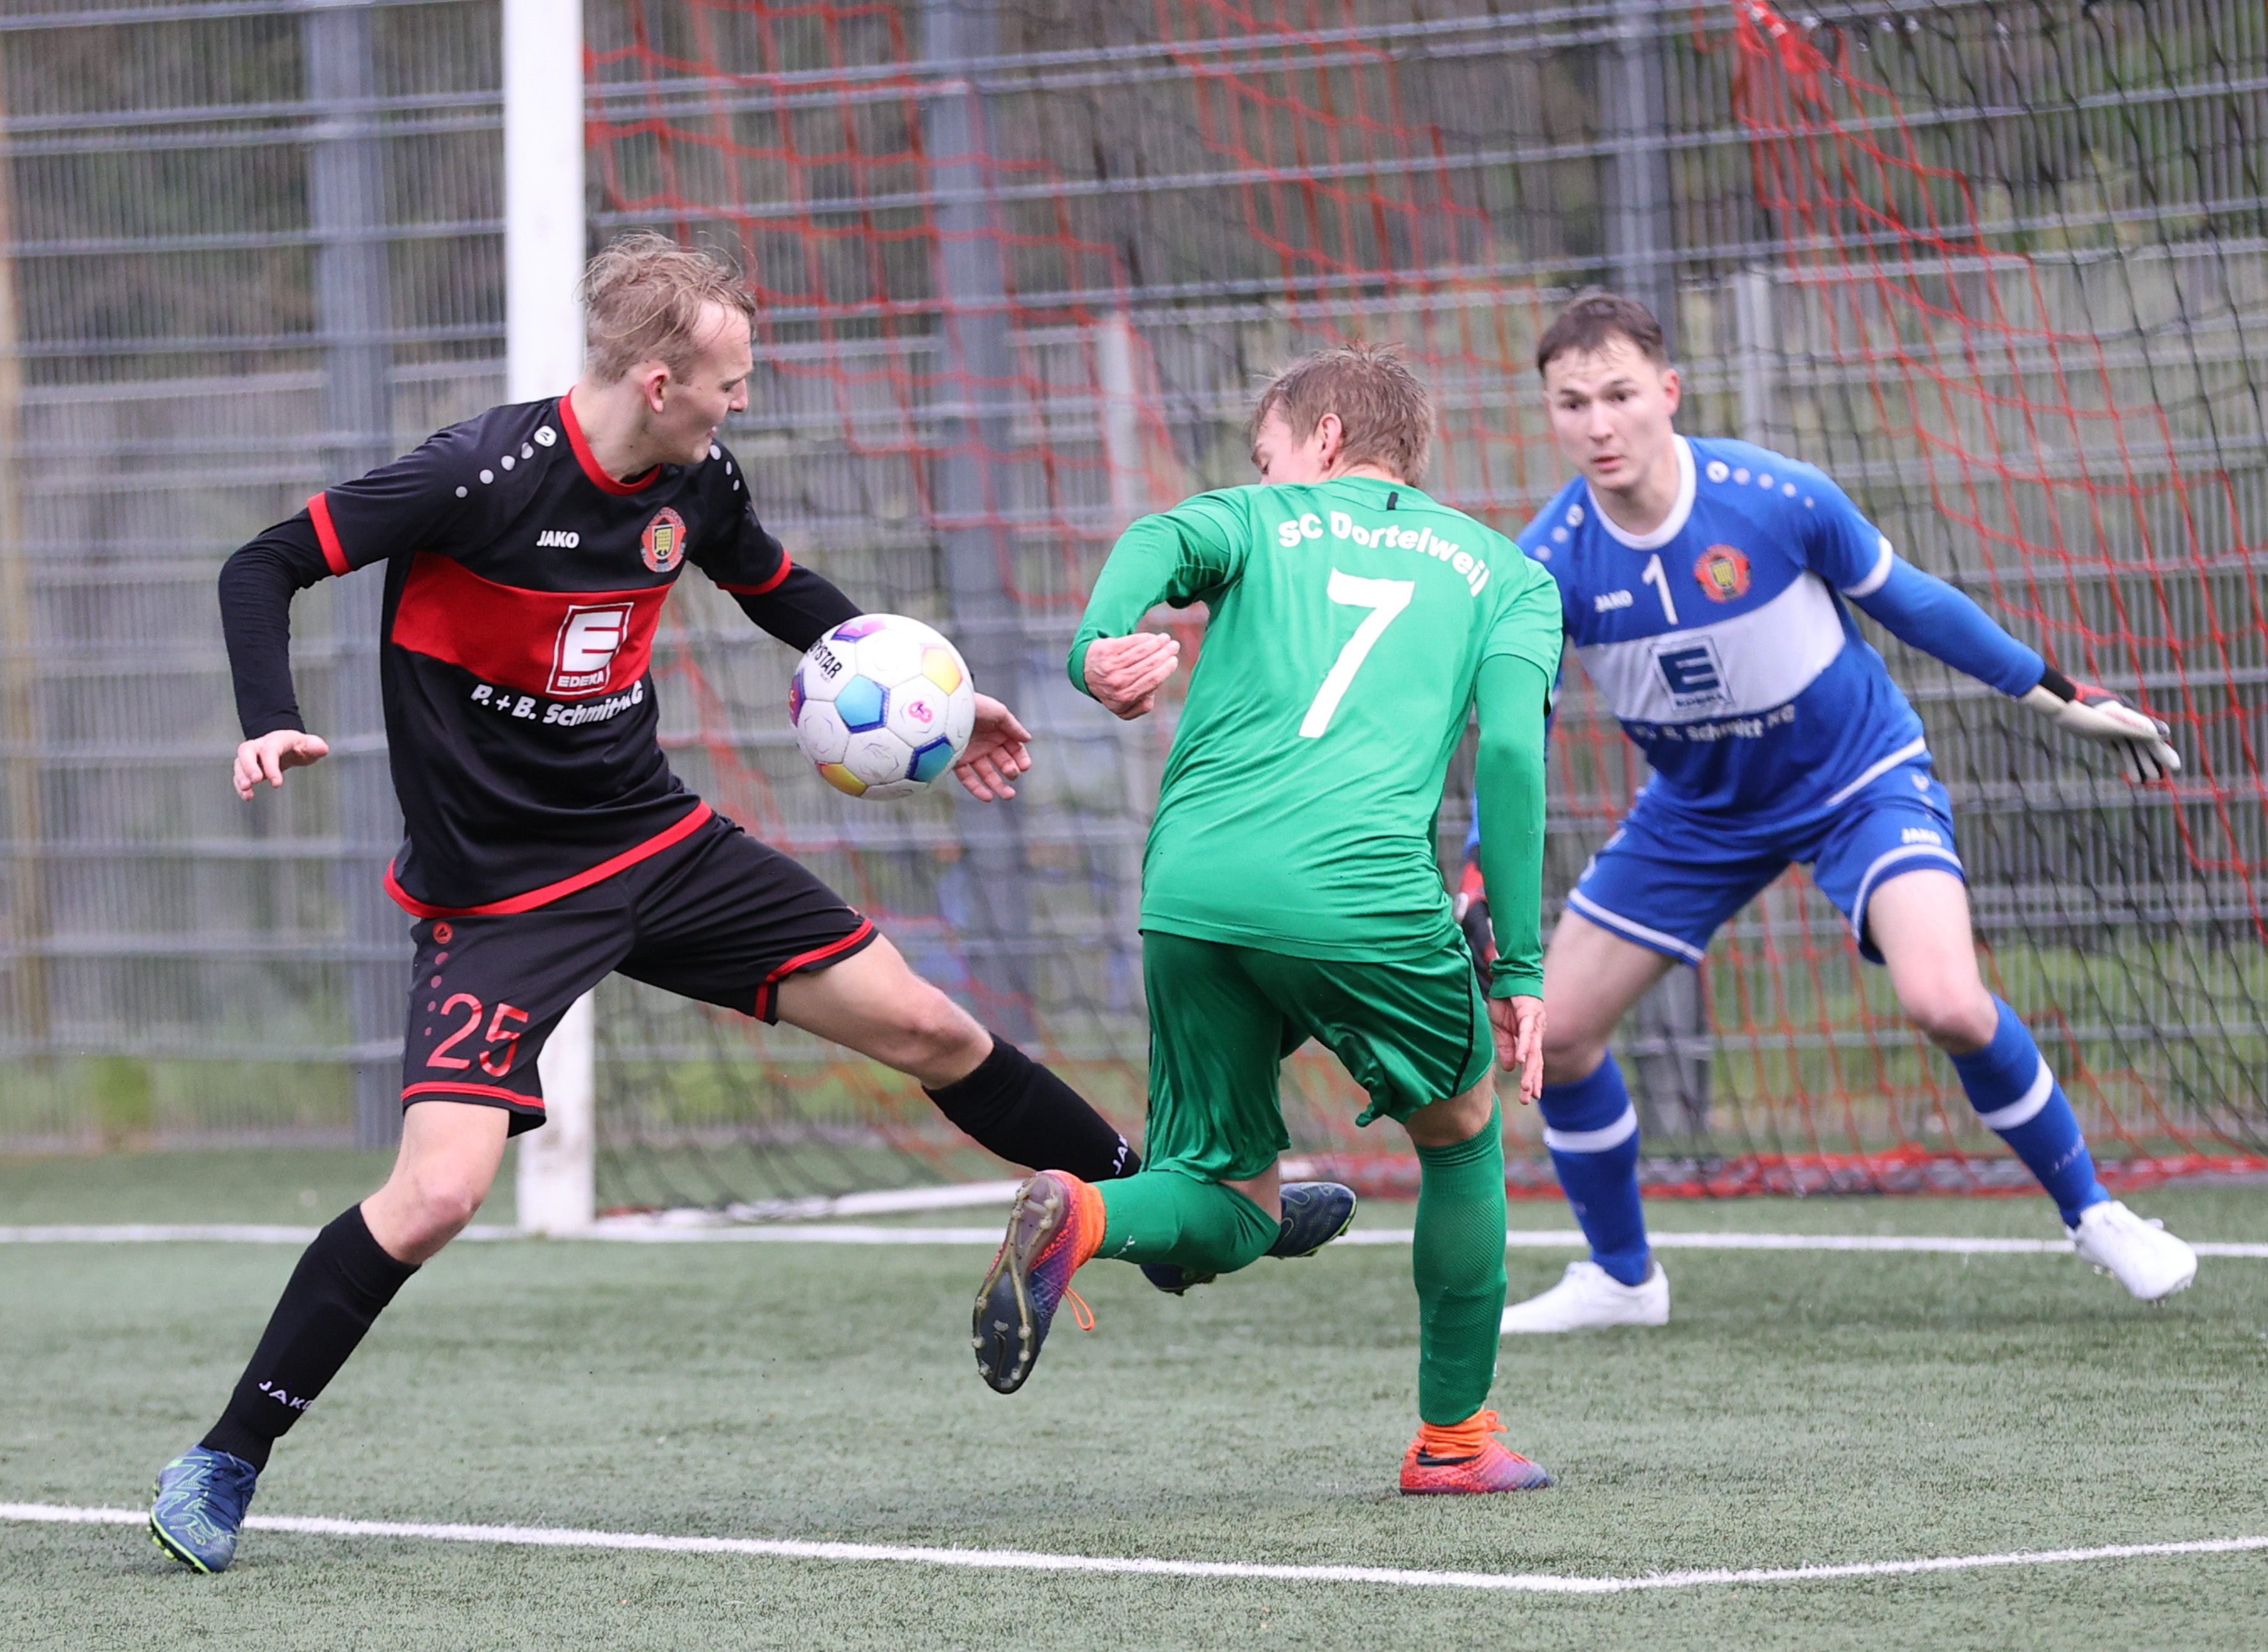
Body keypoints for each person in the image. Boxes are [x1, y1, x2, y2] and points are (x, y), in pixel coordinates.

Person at [147, 234, 1150, 1574]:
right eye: (730, 381)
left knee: (929, 1027)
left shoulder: (696, 479)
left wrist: (945, 702)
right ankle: (221, 1462)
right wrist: (270, 721)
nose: (743, 403)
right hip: (499, 899)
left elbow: (775, 588)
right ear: (661, 377)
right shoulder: (477, 474)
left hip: (658, 844)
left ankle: (1155, 1212)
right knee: (439, 1194)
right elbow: (260, 563)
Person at [1479, 293, 2196, 1335]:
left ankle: (2095, 1214)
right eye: (1571, 402)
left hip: (1859, 781)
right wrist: (1473, 878)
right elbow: (1515, 741)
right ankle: (1623, 1280)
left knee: (1947, 1001)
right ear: (1548, 413)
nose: (1598, 424)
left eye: (1620, 395)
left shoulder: (1773, 498)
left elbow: (1916, 605)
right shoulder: (1544, 566)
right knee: (1563, 1035)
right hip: (1699, 812)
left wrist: (2064, 697)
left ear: (1668, 394)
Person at [965, 343, 1569, 1496]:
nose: (1265, 472)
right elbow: (1508, 753)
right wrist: (1523, 961)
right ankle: (1454, 1443)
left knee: (1234, 1201)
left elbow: (1157, 540)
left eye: (1268, 452)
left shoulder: (1260, 519)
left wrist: (1100, 644)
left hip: (1191, 885)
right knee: (1463, 1132)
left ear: (1326, 436)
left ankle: (1084, 1217)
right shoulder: (1508, 574)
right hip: (1361, 892)